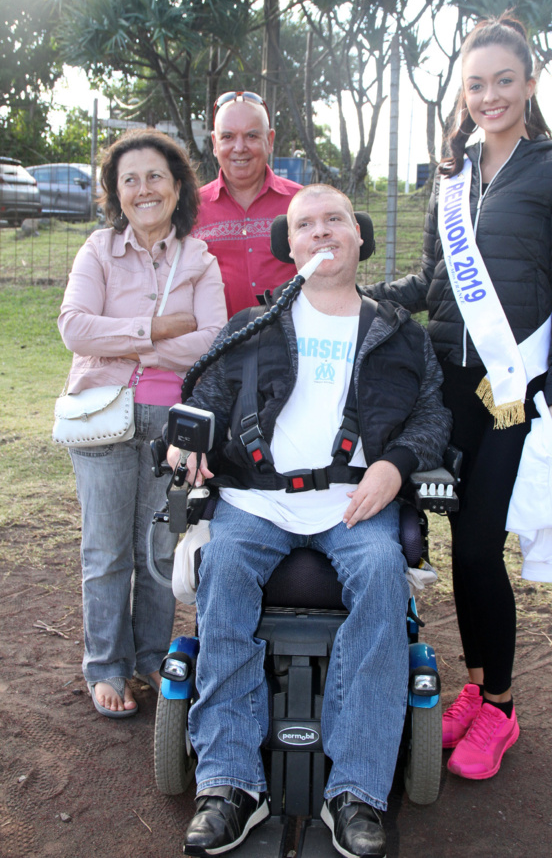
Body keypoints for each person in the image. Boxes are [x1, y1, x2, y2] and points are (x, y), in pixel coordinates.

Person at [167, 184, 452, 858]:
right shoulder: (253, 324)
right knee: (226, 567)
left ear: (359, 236)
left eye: (334, 221)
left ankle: (355, 791)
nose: (321, 233)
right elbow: (203, 393)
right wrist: (189, 441)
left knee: (384, 574)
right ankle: (231, 783)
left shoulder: (399, 333)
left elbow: (433, 413)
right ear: (287, 245)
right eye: (305, 225)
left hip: (354, 504)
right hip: (256, 502)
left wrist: (397, 464)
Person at [367, 16, 552, 780]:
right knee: (456, 544)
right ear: (460, 96)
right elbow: (437, 277)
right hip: (450, 383)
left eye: (504, 80)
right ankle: (474, 684)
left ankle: (499, 704)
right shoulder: (453, 175)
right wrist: (371, 297)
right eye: (476, 84)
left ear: (529, 84)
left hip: (513, 389)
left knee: (476, 544)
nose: (490, 95)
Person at [58, 128, 227, 718]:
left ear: (177, 185)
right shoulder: (98, 251)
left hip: (169, 421)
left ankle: (151, 657)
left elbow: (210, 343)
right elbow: (75, 327)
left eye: (155, 176)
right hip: (101, 415)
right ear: (116, 192)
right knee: (106, 549)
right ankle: (106, 666)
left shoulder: (200, 259)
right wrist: (155, 330)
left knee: (158, 546)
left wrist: (124, 342)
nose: (143, 188)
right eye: (129, 179)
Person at [193, 90, 302, 318]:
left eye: (251, 136)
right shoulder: (190, 208)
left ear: (269, 140)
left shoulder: (301, 203)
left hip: (290, 344)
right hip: (214, 347)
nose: (239, 147)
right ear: (214, 143)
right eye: (228, 137)